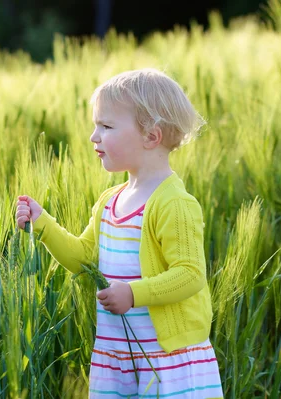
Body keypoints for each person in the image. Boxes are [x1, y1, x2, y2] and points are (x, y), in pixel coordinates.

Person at [16, 68, 223, 398]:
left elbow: (190, 275)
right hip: (117, 357)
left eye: (106, 126)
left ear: (151, 137)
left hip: (165, 361)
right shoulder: (110, 202)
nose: (93, 137)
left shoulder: (174, 204)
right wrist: (43, 224)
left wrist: (132, 294)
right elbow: (83, 258)